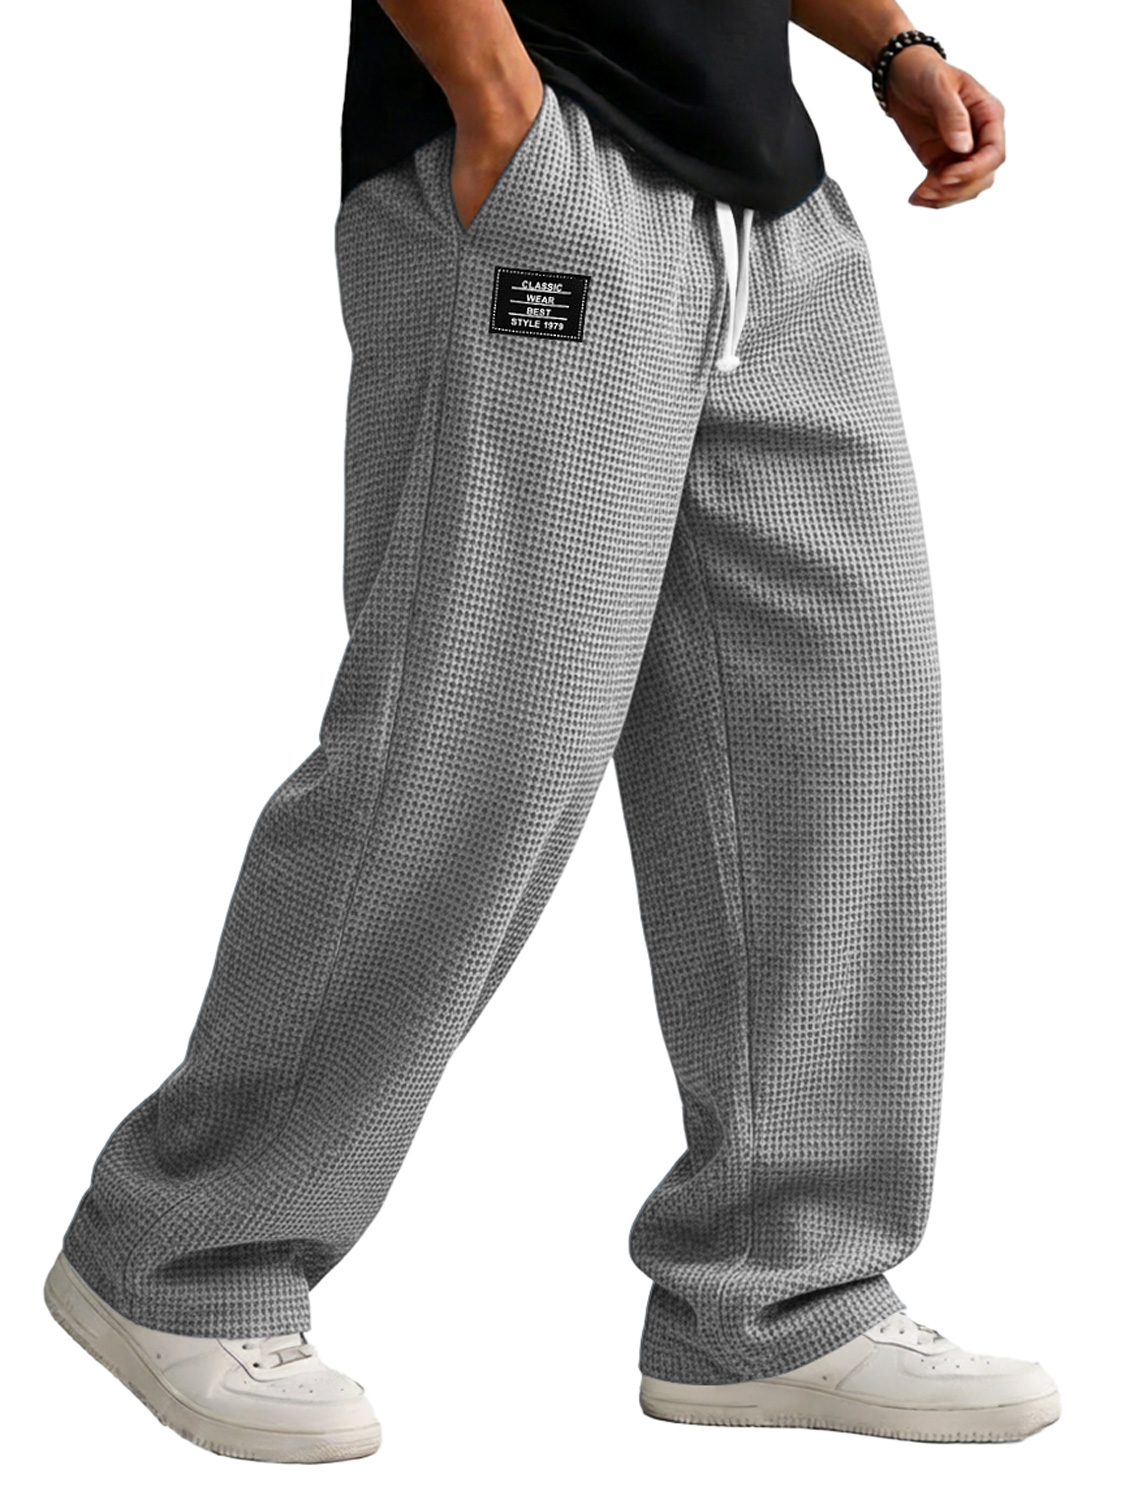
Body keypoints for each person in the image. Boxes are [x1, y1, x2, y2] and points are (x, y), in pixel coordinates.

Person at [43, 0, 1060, 1463]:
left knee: (839, 743)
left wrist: (891, 51)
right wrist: (496, 107)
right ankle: (179, 1253)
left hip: (774, 211)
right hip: (548, 167)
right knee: (477, 748)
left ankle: (782, 1295)